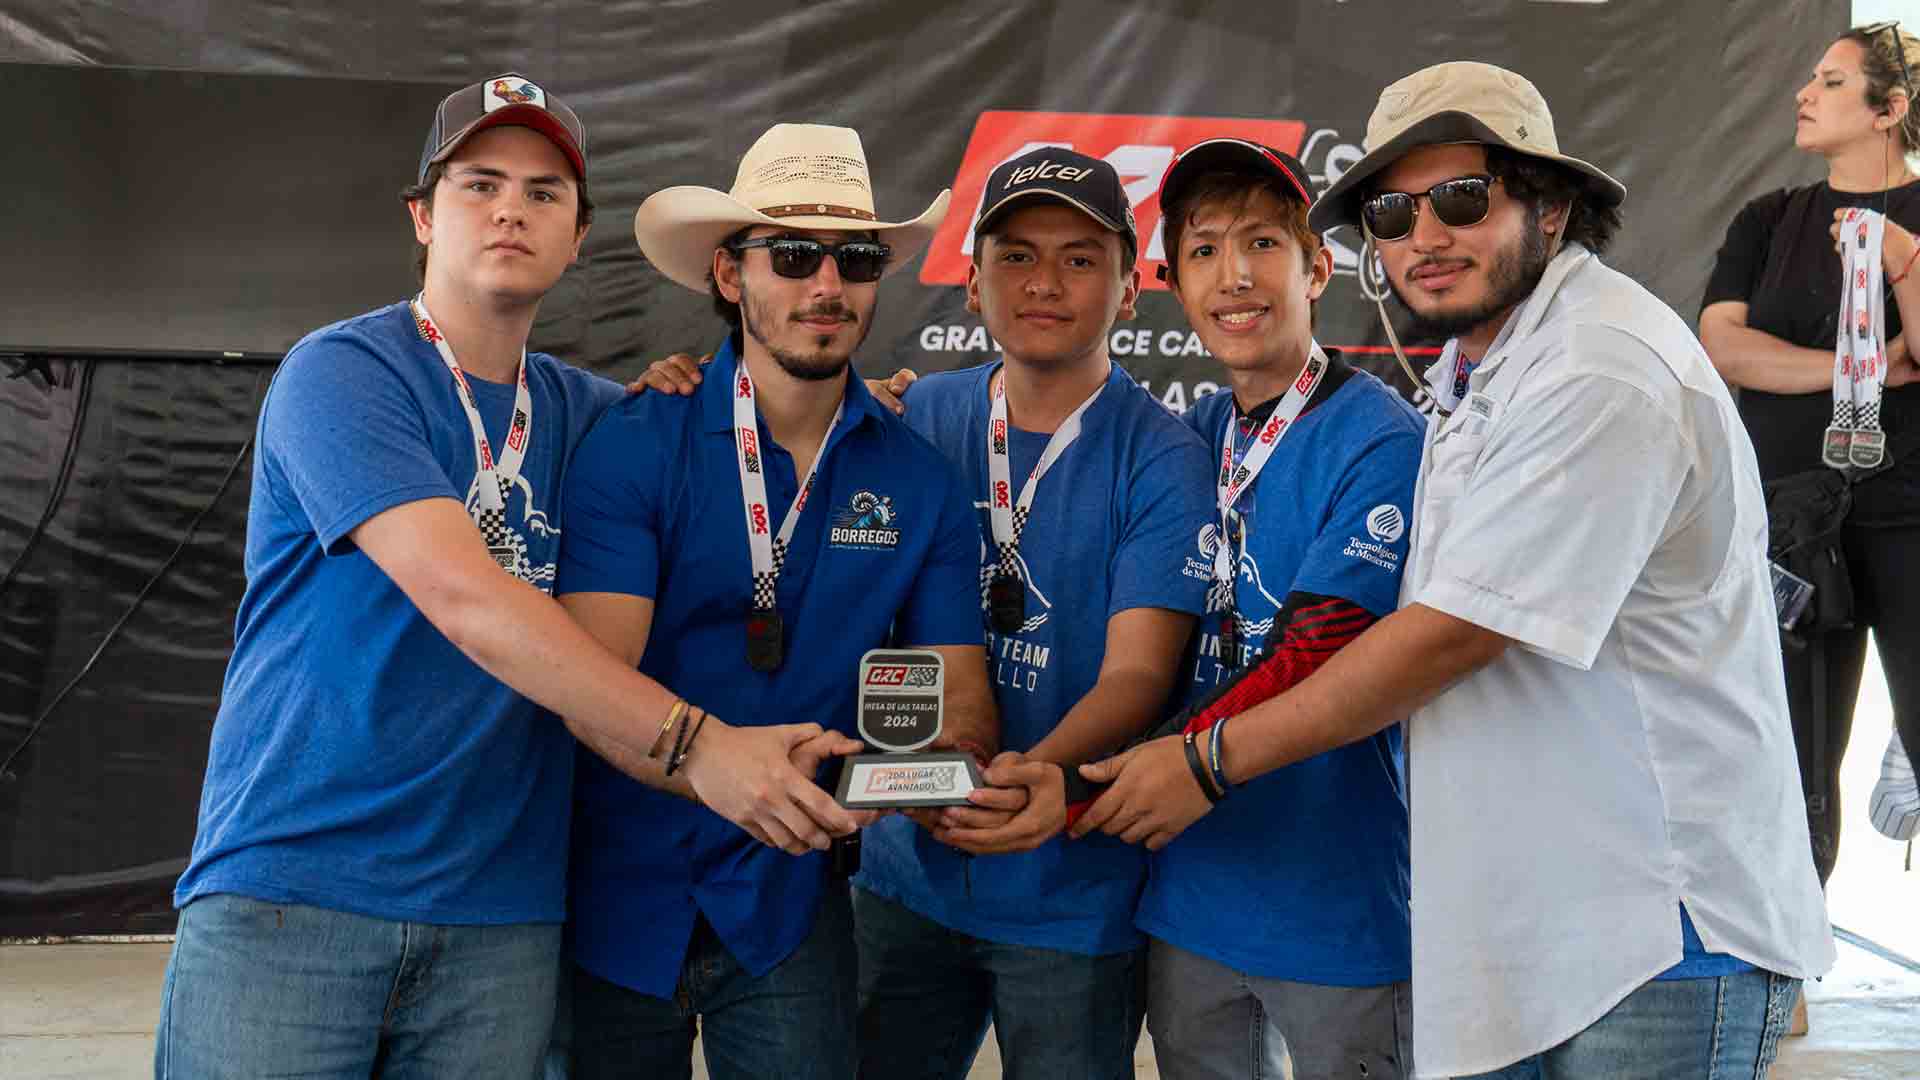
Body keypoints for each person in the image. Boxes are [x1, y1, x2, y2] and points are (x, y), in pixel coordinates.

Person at [1076, 61, 1836, 1078]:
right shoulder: (1479, 371)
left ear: (1552, 207)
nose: (1424, 237)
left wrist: (1206, 762)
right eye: (1392, 212)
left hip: (1659, 936)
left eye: (1462, 199)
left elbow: (1457, 632)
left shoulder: (1600, 368)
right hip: (1526, 931)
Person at [158, 76, 861, 1078]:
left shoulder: (595, 416)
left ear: (578, 238)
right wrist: (702, 748)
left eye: (544, 194)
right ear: (422, 216)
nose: (509, 210)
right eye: (479, 183)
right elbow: (466, 599)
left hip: (503, 922)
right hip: (296, 895)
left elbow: (753, 433)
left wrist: (861, 406)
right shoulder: (345, 373)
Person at [558, 123, 993, 1080]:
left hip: (789, 904)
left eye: (856, 259)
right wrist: (730, 767)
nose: (826, 286)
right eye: (793, 256)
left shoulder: (920, 479)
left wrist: (895, 781)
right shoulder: (636, 441)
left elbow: (958, 709)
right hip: (615, 898)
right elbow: (591, 683)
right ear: (727, 274)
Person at [846, 148, 1214, 1079]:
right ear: (971, 284)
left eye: (1081, 259)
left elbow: (1140, 673)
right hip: (906, 873)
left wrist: (1031, 779)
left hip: (1069, 892)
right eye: (1016, 255)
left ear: (1132, 291)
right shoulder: (915, 413)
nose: (1045, 282)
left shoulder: (1163, 455)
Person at [1132, 139, 1423, 1080]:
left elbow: (1320, 653)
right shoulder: (1193, 436)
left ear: (1317, 268)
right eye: (1206, 250)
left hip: (1337, 905)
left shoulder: (1383, 438)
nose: (1236, 275)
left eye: (1263, 242)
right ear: (1176, 283)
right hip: (1191, 895)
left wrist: (1158, 768)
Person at [1699, 21, 1920, 886]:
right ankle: (1789, 957)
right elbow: (1723, 347)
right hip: (1792, 515)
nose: (1805, 93)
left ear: (1888, 109)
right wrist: (1866, 367)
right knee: (1793, 745)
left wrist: (1902, 262)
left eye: (1830, 81)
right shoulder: (1769, 219)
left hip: (1910, 512)